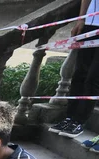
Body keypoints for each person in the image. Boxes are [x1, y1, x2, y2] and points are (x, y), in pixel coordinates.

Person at [49, 0, 99, 144]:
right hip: (90, 24)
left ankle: (79, 121)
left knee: (93, 78)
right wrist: (81, 19)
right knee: (79, 73)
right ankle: (70, 118)